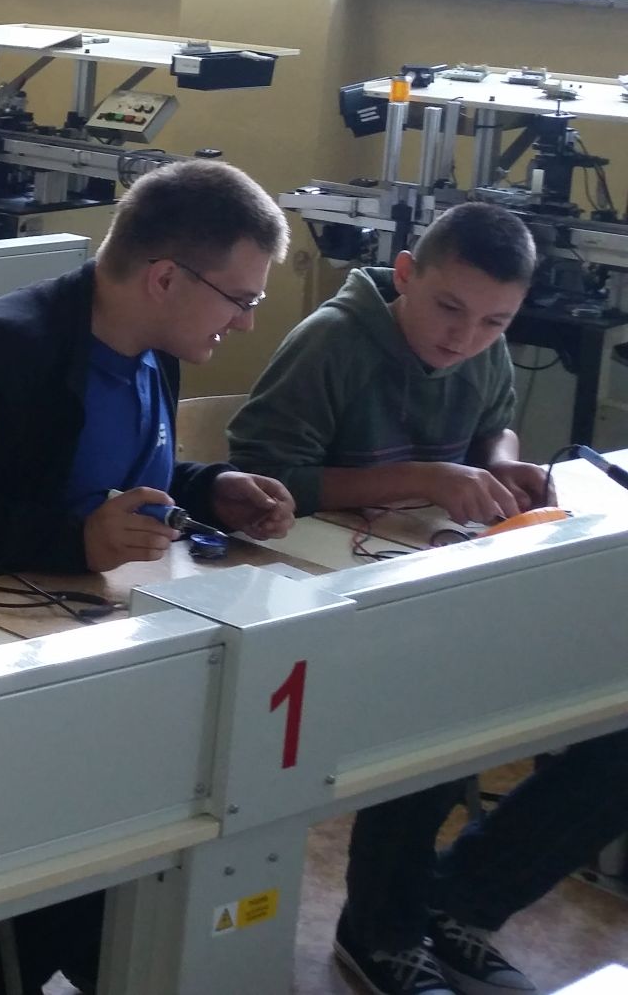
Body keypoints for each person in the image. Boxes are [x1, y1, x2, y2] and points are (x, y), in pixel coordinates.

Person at [0, 158, 299, 995]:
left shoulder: (156, 347)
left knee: (202, 804)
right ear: (164, 278)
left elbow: (109, 473)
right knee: (89, 872)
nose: (245, 322)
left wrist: (210, 487)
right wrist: (73, 539)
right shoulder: (7, 350)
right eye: (240, 299)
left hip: (98, 652)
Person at [229, 201, 628, 995]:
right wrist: (425, 478)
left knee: (612, 728)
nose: (464, 337)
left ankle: (460, 904)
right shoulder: (332, 343)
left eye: (494, 322)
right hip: (326, 607)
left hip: (439, 590)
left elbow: (496, 424)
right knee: (440, 708)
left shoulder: (482, 346)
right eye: (449, 308)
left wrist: (500, 461)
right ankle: (380, 931)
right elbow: (260, 483)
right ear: (406, 275)